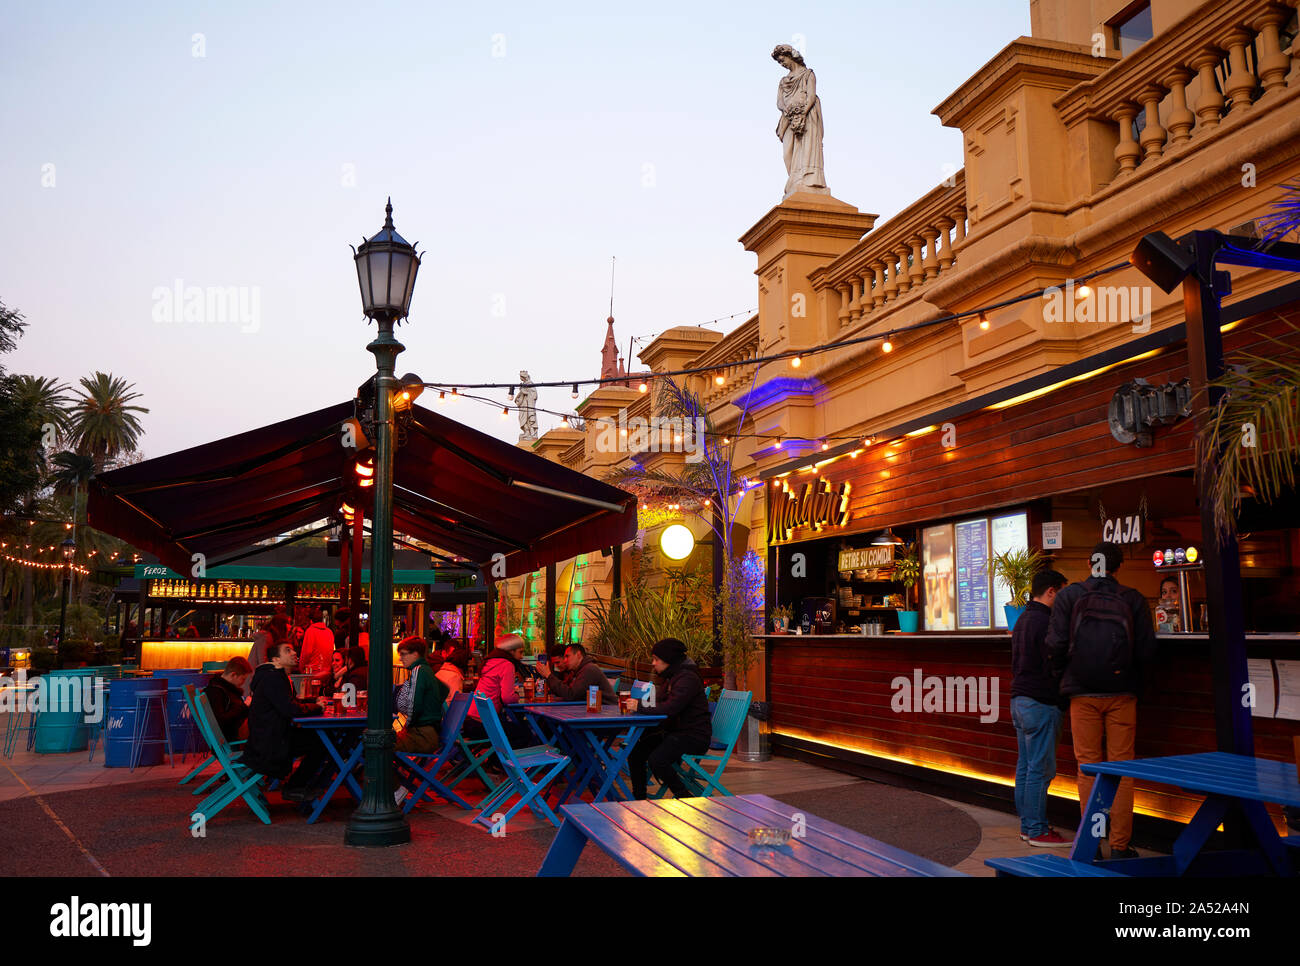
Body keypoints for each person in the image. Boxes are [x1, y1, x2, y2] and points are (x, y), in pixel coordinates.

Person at [1046, 541, 1158, 860]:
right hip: (1123, 694)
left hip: (1082, 694)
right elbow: (1147, 651)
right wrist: (1137, 683)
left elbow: (1054, 644)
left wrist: (1062, 678)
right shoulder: (1133, 598)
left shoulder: (1069, 596)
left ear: (1089, 563)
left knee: (1089, 769)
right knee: (1121, 769)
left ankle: (1093, 843)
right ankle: (1121, 846)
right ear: (1118, 567)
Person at [1010, 569, 1069, 847]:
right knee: (1039, 770)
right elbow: (1052, 664)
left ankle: (1027, 825)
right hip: (1041, 702)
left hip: (1019, 700)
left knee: (1025, 766)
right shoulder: (1046, 622)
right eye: (1062, 593)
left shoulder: (1022, 619)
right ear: (1051, 591)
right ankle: (1036, 829)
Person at [241, 640, 329, 801]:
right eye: (288, 651)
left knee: (320, 740)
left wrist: (313, 701)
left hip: (268, 738)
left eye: (294, 650)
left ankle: (303, 785)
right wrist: (317, 707)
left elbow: (289, 703)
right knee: (321, 743)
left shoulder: (274, 676)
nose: (294, 653)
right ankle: (295, 787)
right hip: (269, 745)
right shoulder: (273, 679)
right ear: (276, 660)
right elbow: (290, 709)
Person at [630, 638, 712, 800]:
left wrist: (639, 707)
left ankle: (685, 797)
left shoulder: (687, 678)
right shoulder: (672, 676)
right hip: (675, 732)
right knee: (636, 753)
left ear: (668, 660)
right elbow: (659, 703)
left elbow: (670, 708)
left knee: (657, 759)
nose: (653, 663)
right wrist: (639, 704)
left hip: (693, 735)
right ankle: (638, 798)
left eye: (656, 659)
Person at [462, 634, 532, 749]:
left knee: (514, 728)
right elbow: (507, 698)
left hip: (470, 722)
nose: (522, 656)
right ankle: (499, 764)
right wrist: (517, 696)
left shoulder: (491, 662)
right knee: (525, 733)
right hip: (484, 724)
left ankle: (494, 762)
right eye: (520, 652)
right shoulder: (507, 665)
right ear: (511, 651)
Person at [393, 637, 446, 753]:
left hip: (421, 737)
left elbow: (414, 704)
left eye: (403, 654)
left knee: (381, 745)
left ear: (415, 654)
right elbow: (444, 689)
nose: (401, 659)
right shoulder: (427, 670)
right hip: (429, 735)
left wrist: (407, 726)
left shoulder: (419, 671)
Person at [536, 642, 616, 705]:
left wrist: (549, 675)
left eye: (567, 656)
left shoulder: (589, 669)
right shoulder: (577, 670)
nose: (565, 660)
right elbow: (565, 691)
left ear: (578, 655)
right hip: (593, 710)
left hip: (608, 713)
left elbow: (571, 695)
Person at [203, 656, 253, 742]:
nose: (243, 683)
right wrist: (244, 706)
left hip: (237, 730)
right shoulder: (216, 692)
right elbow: (222, 721)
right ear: (233, 675)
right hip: (231, 736)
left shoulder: (226, 688)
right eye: (243, 679)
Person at [246, 614, 288, 693]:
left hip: (254, 678)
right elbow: (263, 662)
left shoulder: (267, 636)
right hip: (254, 680)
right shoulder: (266, 638)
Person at [300, 607, 334, 680]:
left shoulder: (310, 631)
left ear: (311, 621)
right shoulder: (329, 632)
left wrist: (301, 667)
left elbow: (306, 653)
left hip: (313, 672)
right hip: (327, 671)